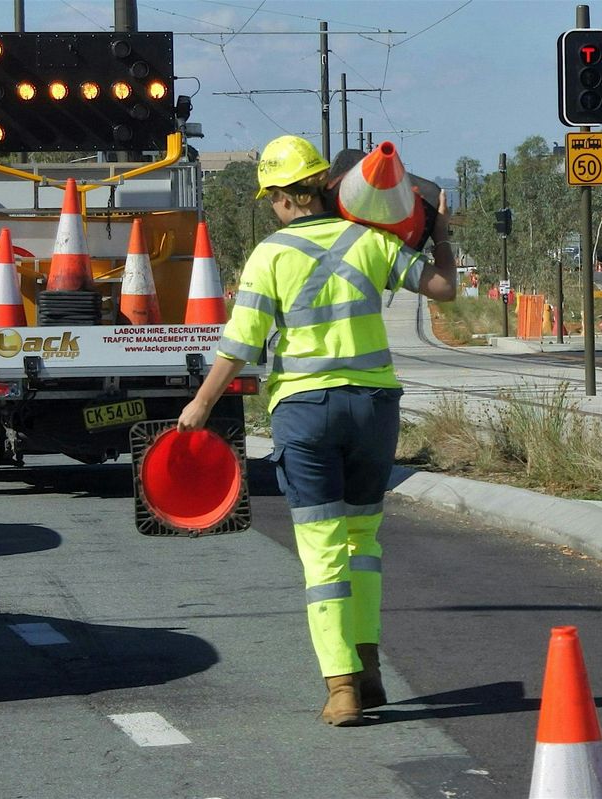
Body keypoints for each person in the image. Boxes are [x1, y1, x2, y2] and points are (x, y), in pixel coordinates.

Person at [177, 135, 456, 726]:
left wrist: (201, 404)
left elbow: (240, 345)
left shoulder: (270, 256)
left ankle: (342, 689)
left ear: (282, 197)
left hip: (305, 414)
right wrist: (442, 235)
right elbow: (443, 288)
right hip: (373, 409)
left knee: (322, 551)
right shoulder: (372, 240)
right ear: (323, 187)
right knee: (363, 542)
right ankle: (369, 669)